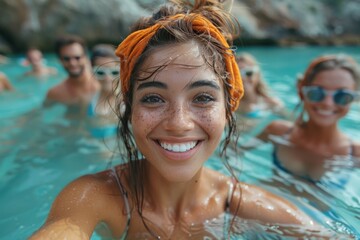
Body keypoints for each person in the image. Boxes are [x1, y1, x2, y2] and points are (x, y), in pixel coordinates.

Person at [30, 1, 334, 239]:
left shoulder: (243, 204)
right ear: (129, 109)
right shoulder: (94, 197)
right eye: (153, 98)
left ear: (229, 110)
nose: (179, 123)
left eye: (202, 97)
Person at [256, 54, 360, 182]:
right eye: (316, 93)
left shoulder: (355, 153)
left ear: (355, 99)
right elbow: (232, 156)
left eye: (343, 96)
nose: (327, 103)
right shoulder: (277, 131)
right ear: (302, 91)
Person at [45, 35, 100, 105]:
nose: (72, 63)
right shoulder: (56, 93)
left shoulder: (101, 82)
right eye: (66, 59)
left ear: (86, 57)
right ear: (60, 60)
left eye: (77, 58)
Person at [235, 53, 284, 118]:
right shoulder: (232, 106)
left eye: (248, 73)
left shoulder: (272, 103)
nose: (243, 78)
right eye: (238, 74)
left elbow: (292, 123)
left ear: (257, 75)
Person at [87, 44, 120, 138]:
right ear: (92, 72)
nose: (108, 78)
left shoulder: (128, 101)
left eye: (114, 72)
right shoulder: (89, 99)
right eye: (101, 72)